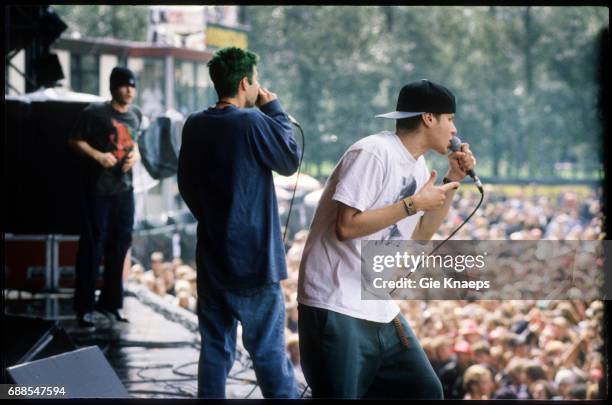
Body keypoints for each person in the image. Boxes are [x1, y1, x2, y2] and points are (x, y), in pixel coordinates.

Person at [297, 79, 476, 398]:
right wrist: (412, 204)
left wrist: (452, 181)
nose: (454, 129)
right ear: (428, 118)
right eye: (450, 118)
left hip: (376, 303)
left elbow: (420, 234)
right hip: (336, 300)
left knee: (425, 392)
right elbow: (346, 226)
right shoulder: (373, 152)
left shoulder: (420, 169)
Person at [177, 47, 300, 399]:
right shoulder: (251, 121)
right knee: (268, 352)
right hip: (254, 262)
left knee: (215, 349)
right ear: (245, 82)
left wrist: (214, 220)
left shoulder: (195, 124)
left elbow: (186, 185)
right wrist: (273, 108)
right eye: (255, 80)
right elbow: (289, 159)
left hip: (213, 256)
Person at [69, 66, 142, 328]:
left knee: (120, 246)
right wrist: (98, 155)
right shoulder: (94, 113)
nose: (130, 90)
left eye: (133, 86)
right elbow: (75, 140)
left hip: (124, 191)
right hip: (97, 190)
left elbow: (135, 144)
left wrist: (136, 156)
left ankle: (111, 304)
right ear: (113, 87)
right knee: (92, 247)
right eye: (125, 85)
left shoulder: (136, 114)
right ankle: (84, 307)